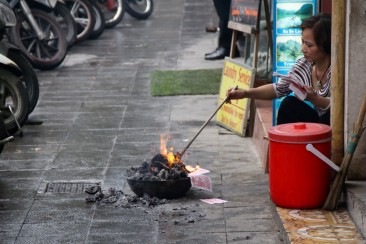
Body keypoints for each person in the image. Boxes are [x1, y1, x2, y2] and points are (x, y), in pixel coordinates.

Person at [226, 13, 332, 125]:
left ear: (325, 45)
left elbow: (342, 108)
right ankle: (282, 142)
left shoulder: (338, 69)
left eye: (309, 45)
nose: (303, 49)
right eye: (302, 42)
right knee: (289, 104)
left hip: (336, 128)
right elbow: (278, 89)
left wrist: (315, 99)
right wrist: (245, 93)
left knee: (328, 117)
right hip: (317, 124)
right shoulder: (303, 65)